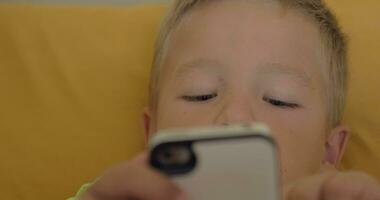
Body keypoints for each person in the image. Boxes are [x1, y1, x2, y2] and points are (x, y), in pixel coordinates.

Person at [74, 0, 380, 199]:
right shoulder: (120, 195)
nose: (235, 117)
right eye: (200, 94)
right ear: (152, 132)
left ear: (329, 151)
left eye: (279, 100)